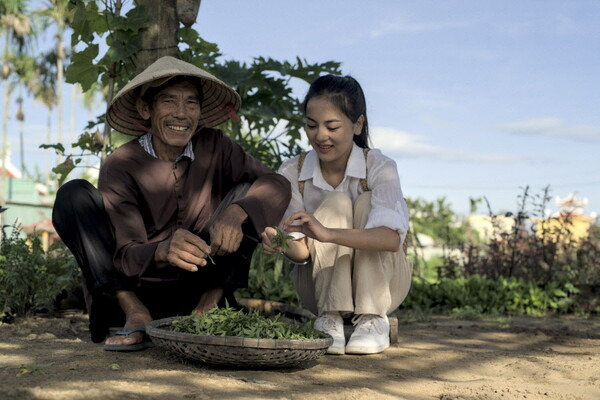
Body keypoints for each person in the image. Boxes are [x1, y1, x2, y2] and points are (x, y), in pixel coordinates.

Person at [52, 56, 291, 351]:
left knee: (249, 193)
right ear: (146, 109)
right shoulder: (121, 164)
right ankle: (136, 314)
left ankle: (207, 310)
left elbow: (277, 184)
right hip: (133, 292)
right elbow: (125, 255)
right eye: (168, 101)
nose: (181, 114)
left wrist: (236, 211)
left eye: (191, 103)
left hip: (196, 285)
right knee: (73, 196)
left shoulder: (216, 146)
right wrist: (161, 249)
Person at [261, 75, 412, 355]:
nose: (320, 136)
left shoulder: (381, 167)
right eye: (311, 125)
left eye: (332, 126)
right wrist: (279, 240)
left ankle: (372, 319)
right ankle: (329, 317)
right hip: (318, 289)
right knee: (336, 202)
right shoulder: (292, 171)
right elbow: (301, 252)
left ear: (357, 124)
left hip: (385, 287)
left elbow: (391, 239)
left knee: (365, 203)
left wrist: (327, 233)